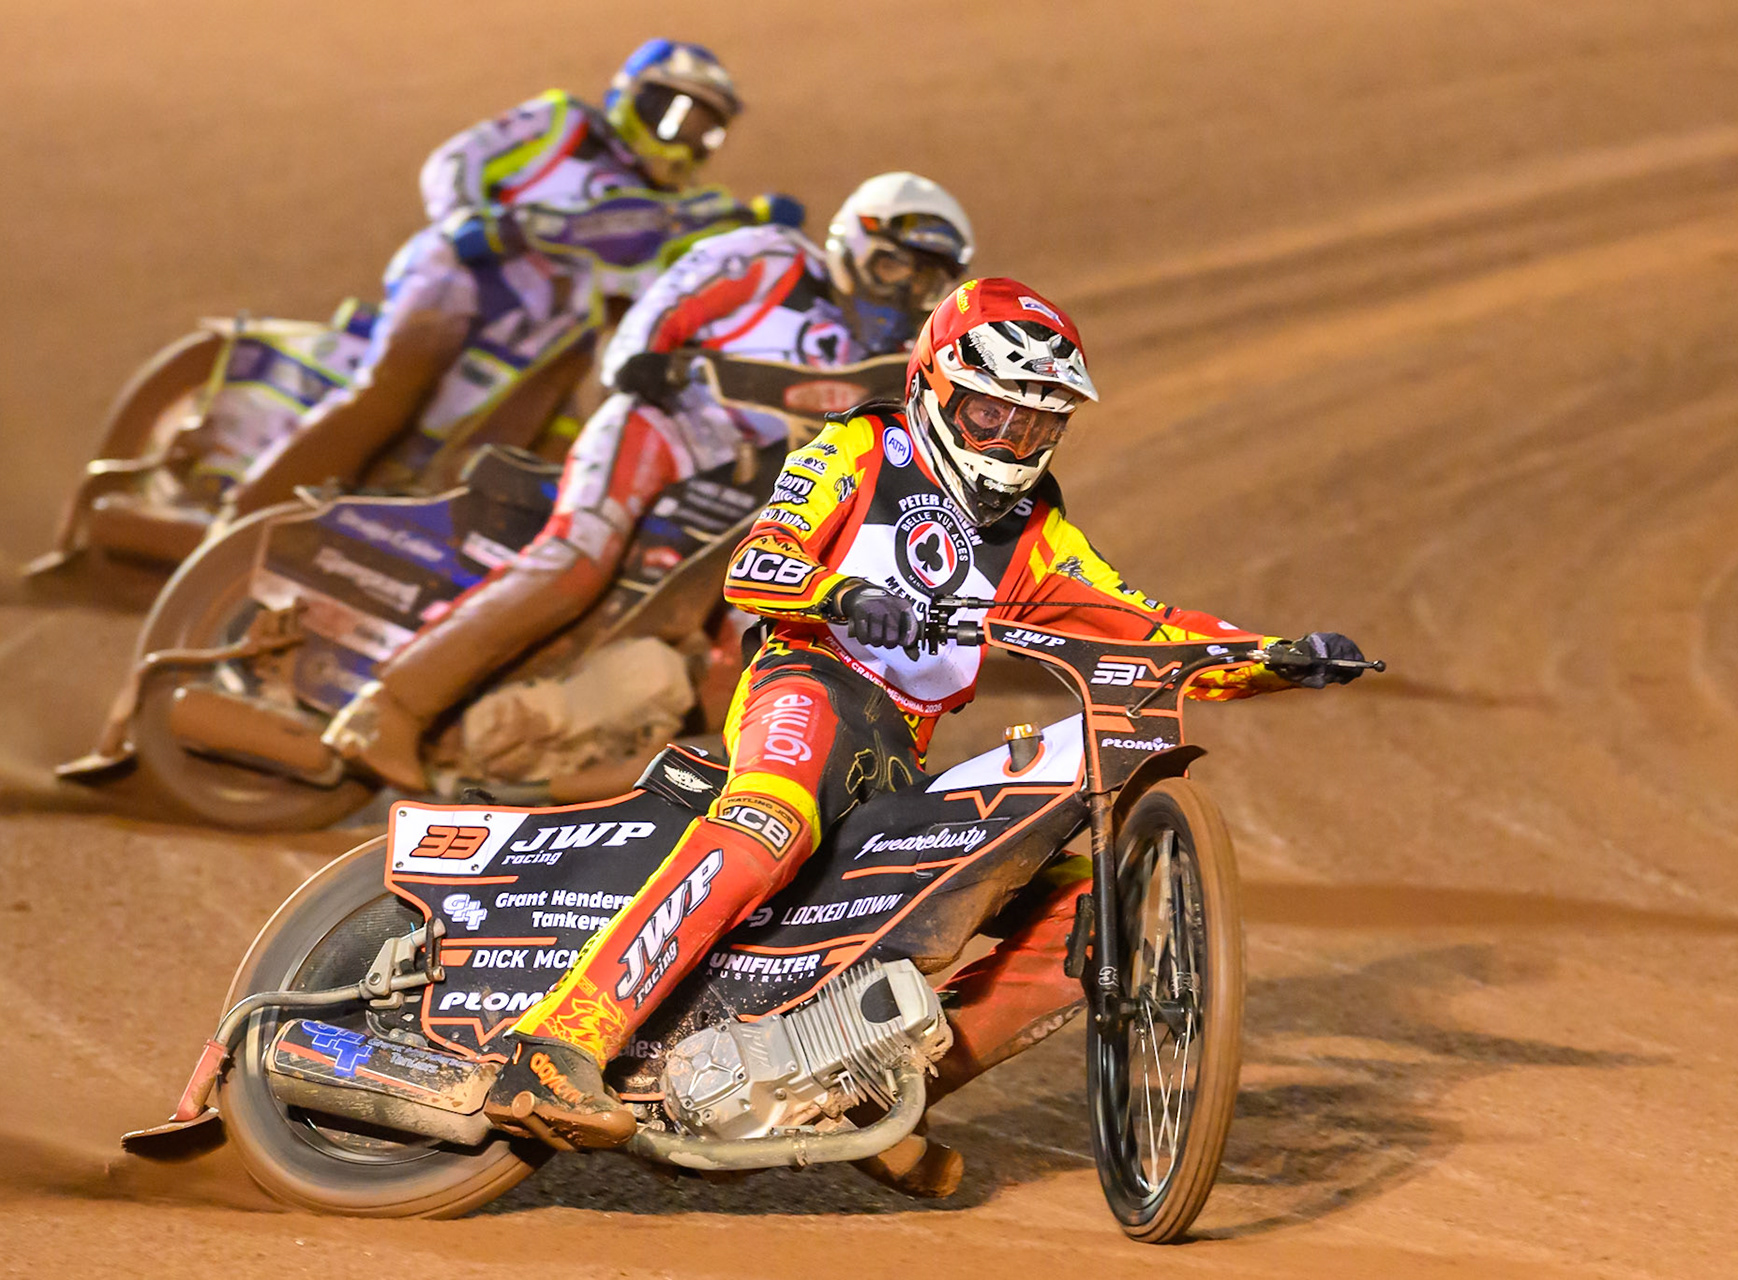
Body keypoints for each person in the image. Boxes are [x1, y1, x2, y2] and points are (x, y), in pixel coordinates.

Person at [476, 276, 1370, 1167]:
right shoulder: (862, 446)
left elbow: (1153, 627)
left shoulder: (1036, 532)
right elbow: (755, 563)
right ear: (937, 385)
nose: (1015, 442)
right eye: (994, 415)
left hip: (900, 750)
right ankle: (555, 1047)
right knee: (771, 819)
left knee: (1084, 913)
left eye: (1038, 423)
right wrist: (842, 594)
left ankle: (865, 1101)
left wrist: (1274, 656)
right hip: (810, 680)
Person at [321, 172, 976, 791]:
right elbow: (670, 297)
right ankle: (388, 708)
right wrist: (642, 358)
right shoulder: (772, 258)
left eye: (924, 285)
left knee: (762, 643)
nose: (900, 296)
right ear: (854, 245)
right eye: (894, 266)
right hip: (661, 428)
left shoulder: (896, 364)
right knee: (574, 562)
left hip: (746, 502)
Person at [225, 39, 792, 516]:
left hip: (547, 339)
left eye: (703, 131)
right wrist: (468, 215)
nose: (683, 140)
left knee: (551, 442)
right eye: (672, 116)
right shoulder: (562, 124)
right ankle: (242, 515)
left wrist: (761, 230)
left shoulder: (681, 213)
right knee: (397, 380)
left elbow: (707, 266)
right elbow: (458, 160)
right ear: (632, 95)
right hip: (467, 277)